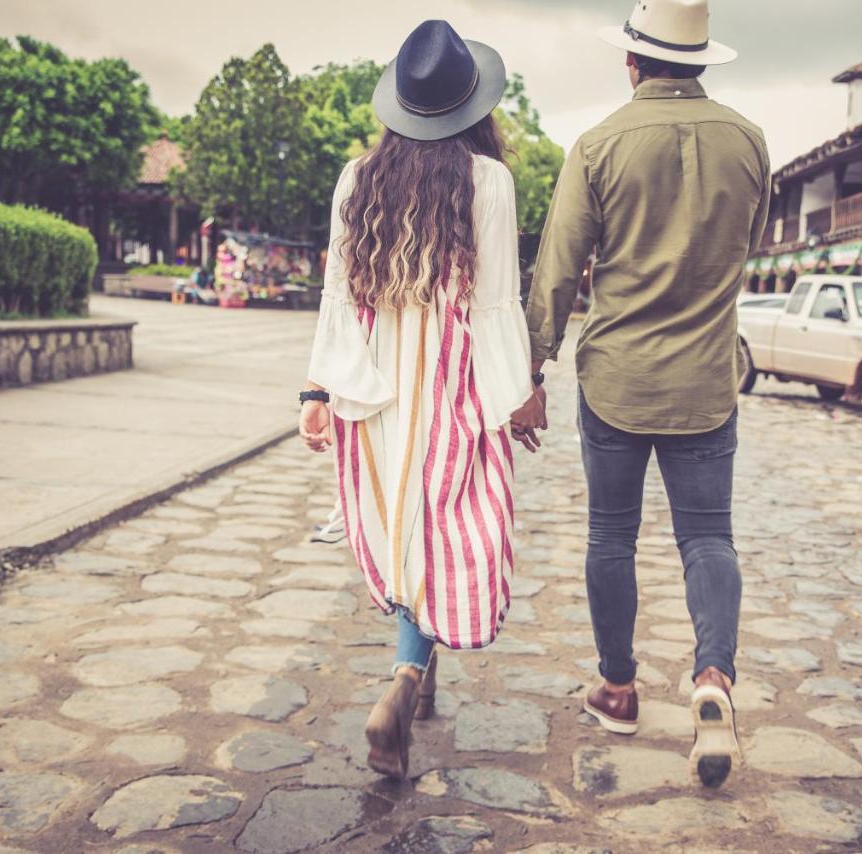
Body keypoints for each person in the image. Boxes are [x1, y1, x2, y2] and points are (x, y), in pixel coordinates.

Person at [514, 0, 772, 789]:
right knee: (708, 537)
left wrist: (530, 369)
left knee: (609, 537)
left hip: (617, 377)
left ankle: (619, 689)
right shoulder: (750, 142)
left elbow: (557, 269)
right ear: (701, 63)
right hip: (705, 380)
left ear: (632, 62)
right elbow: (742, 254)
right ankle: (713, 683)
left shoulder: (596, 145)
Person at [299, 20, 539, 780]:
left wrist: (316, 389)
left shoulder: (355, 178)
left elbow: (337, 297)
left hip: (373, 396)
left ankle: (412, 675)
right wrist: (518, 396)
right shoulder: (489, 183)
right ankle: (406, 678)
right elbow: (497, 306)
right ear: (472, 108)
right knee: (451, 531)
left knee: (405, 528)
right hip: (454, 390)